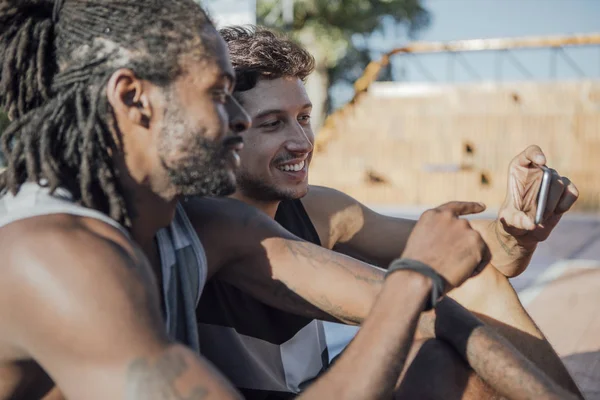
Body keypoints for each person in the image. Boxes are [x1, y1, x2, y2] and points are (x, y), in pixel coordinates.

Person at [0, 2, 579, 399]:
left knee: (443, 362)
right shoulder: (51, 256)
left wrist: (448, 271)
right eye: (220, 97)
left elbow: (441, 313)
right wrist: (413, 279)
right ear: (135, 99)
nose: (236, 121)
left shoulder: (206, 225)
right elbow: (409, 291)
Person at [195, 25, 582, 399]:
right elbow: (422, 306)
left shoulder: (319, 211)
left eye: (304, 118)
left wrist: (515, 232)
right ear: (224, 128)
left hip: (323, 386)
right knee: (431, 326)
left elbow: (474, 260)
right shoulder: (193, 224)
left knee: (467, 293)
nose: (301, 142)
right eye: (273, 123)